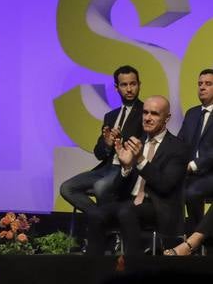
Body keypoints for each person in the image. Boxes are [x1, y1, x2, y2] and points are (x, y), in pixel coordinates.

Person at [85, 95, 189, 257]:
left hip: (158, 206)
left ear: (167, 118)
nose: (147, 118)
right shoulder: (136, 142)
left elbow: (164, 185)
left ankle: (134, 267)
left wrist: (140, 160)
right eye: (145, 113)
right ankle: (93, 268)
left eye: (154, 114)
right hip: (129, 202)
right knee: (95, 213)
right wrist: (125, 168)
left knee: (127, 211)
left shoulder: (178, 148)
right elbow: (119, 189)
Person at [60, 65, 144, 216]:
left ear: (139, 85)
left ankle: (102, 225)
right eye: (124, 85)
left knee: (100, 187)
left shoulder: (146, 113)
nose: (129, 89)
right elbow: (99, 153)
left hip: (127, 171)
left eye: (133, 84)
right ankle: (101, 220)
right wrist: (107, 143)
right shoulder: (111, 116)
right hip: (105, 169)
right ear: (117, 88)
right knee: (67, 188)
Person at [177, 68, 213, 229]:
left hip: (210, 172)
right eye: (200, 84)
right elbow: (179, 143)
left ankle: (199, 239)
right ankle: (172, 239)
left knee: (191, 193)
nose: (202, 87)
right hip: (189, 173)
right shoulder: (191, 113)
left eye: (208, 84)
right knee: (162, 187)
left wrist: (194, 165)